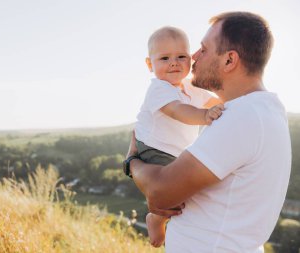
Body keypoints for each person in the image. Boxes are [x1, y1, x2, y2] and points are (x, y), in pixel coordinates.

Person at [124, 12, 291, 252]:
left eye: (203, 49)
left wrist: (132, 161)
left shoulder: (243, 117)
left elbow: (161, 194)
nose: (193, 57)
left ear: (229, 60)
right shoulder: (262, 111)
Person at [132, 26, 223, 247]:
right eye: (164, 58)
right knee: (172, 192)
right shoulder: (160, 88)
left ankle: (162, 217)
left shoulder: (190, 86)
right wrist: (206, 116)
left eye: (181, 56)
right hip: (154, 148)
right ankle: (155, 219)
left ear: (190, 59)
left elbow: (214, 101)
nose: (174, 62)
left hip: (176, 150)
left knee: (184, 189)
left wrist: (227, 107)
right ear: (149, 64)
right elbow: (177, 111)